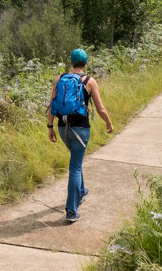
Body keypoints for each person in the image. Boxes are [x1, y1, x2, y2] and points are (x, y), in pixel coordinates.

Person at [47, 48, 114, 223]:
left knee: (76, 159)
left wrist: (50, 127)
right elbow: (100, 108)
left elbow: (52, 105)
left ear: (71, 62)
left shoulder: (60, 79)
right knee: (75, 166)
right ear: (85, 63)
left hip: (62, 128)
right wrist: (108, 123)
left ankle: (82, 190)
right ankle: (71, 210)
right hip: (80, 129)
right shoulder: (89, 81)